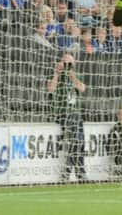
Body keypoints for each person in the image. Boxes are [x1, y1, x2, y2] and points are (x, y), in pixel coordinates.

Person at [47, 53, 87, 182]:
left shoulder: (75, 75)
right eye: (65, 62)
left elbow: (82, 88)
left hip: (75, 114)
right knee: (78, 140)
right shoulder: (56, 75)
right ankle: (78, 172)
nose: (67, 65)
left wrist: (72, 75)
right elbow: (50, 89)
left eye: (69, 63)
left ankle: (70, 171)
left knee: (79, 141)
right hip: (62, 113)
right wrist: (56, 73)